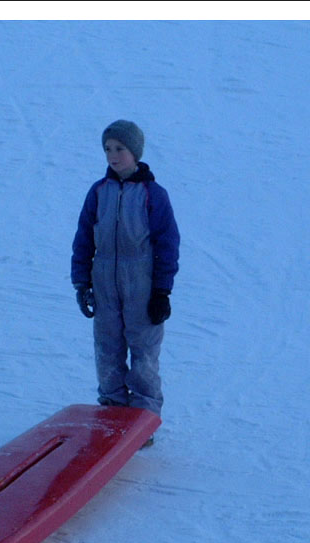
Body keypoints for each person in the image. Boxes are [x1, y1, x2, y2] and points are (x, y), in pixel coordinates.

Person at [71, 119, 180, 424]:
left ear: (135, 152)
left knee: (143, 352)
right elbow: (83, 237)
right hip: (104, 282)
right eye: (108, 148)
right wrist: (82, 282)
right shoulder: (99, 192)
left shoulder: (153, 194)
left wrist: (161, 291)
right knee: (107, 348)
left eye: (119, 148)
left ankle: (143, 418)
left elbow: (167, 243)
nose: (112, 155)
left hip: (141, 286)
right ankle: (112, 407)